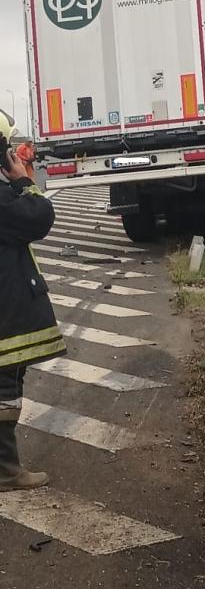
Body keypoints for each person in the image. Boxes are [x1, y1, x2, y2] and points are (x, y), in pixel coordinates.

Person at [0, 109, 66, 491]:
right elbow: (40, 216)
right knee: (4, 393)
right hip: (5, 317)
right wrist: (24, 182)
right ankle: (7, 471)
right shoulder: (5, 201)